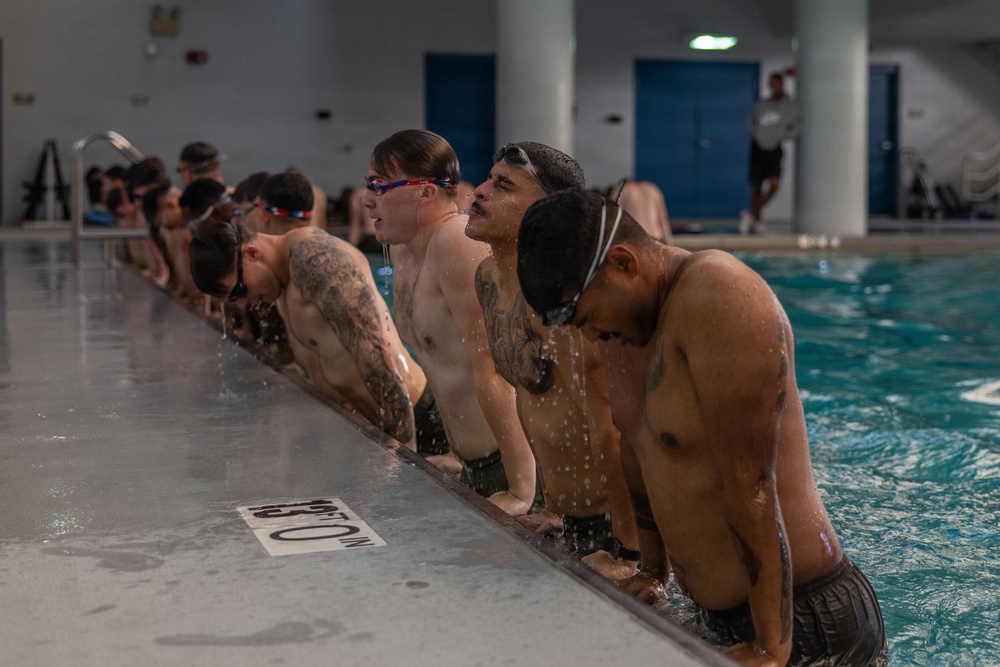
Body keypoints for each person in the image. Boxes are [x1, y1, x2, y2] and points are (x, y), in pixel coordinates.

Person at [516, 188, 887, 667]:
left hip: (803, 622)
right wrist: (651, 570)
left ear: (624, 264)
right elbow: (637, 446)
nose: (586, 334)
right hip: (719, 614)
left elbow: (752, 479)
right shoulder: (621, 324)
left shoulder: (719, 293)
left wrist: (770, 649)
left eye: (579, 316)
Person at [466, 142, 641, 579]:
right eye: (489, 178)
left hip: (614, 526)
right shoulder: (488, 278)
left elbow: (614, 429)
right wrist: (553, 507)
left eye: (503, 185)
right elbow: (535, 395)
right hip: (567, 516)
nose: (481, 190)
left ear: (548, 209)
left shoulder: (565, 300)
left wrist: (630, 554)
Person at [363, 129, 535, 515]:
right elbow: (445, 364)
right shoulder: (403, 252)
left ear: (425, 192)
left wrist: (522, 491)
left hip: (511, 467)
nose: (366, 199)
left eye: (378, 185)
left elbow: (495, 366)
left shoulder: (456, 241)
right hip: (473, 463)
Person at [188, 223, 442, 453]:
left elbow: (372, 345)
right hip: (386, 425)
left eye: (240, 291)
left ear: (253, 253)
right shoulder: (283, 279)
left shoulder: (313, 258)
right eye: (234, 300)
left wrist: (406, 447)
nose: (243, 304)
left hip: (416, 419)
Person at [740, 72, 799, 235]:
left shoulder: (790, 107)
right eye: (770, 84)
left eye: (774, 83)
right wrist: (758, 134)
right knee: (757, 185)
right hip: (759, 148)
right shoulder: (762, 105)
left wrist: (781, 135)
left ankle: (751, 213)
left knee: (774, 184)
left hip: (775, 148)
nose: (772, 87)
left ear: (781, 84)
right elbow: (751, 123)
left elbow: (796, 128)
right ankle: (758, 220)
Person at [613, 178, 672, 244]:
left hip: (635, 240)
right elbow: (663, 221)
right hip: (656, 239)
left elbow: (613, 218)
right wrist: (669, 244)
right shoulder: (652, 189)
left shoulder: (622, 190)